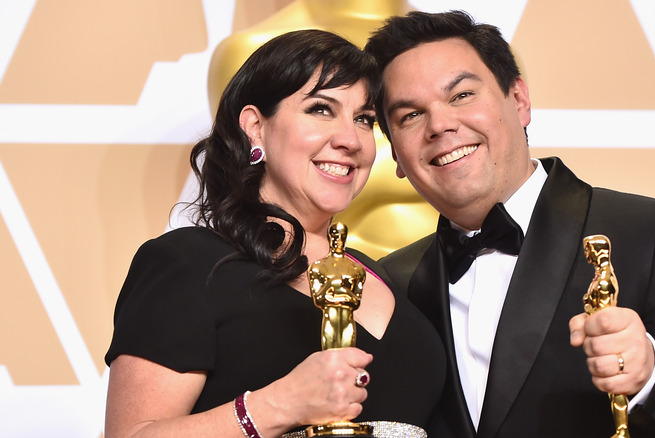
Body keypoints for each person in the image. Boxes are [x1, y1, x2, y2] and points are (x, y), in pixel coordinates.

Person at [366, 10, 655, 438]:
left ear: (519, 102)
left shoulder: (653, 233)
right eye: (410, 116)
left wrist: (651, 373)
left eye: (461, 96)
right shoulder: (388, 284)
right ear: (397, 157)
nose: (440, 125)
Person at [104, 29, 444, 438]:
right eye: (320, 109)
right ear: (255, 126)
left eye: (364, 119)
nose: (350, 139)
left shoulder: (387, 275)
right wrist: (276, 405)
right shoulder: (188, 264)